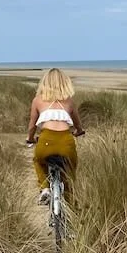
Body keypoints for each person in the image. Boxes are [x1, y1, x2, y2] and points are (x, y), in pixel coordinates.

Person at [25, 68, 85, 205]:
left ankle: (45, 188)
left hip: (45, 141)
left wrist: (30, 138)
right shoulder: (69, 102)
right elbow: (78, 125)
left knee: (38, 161)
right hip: (66, 141)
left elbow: (32, 126)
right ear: (65, 83)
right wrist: (79, 131)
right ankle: (71, 206)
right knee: (69, 174)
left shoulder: (38, 100)